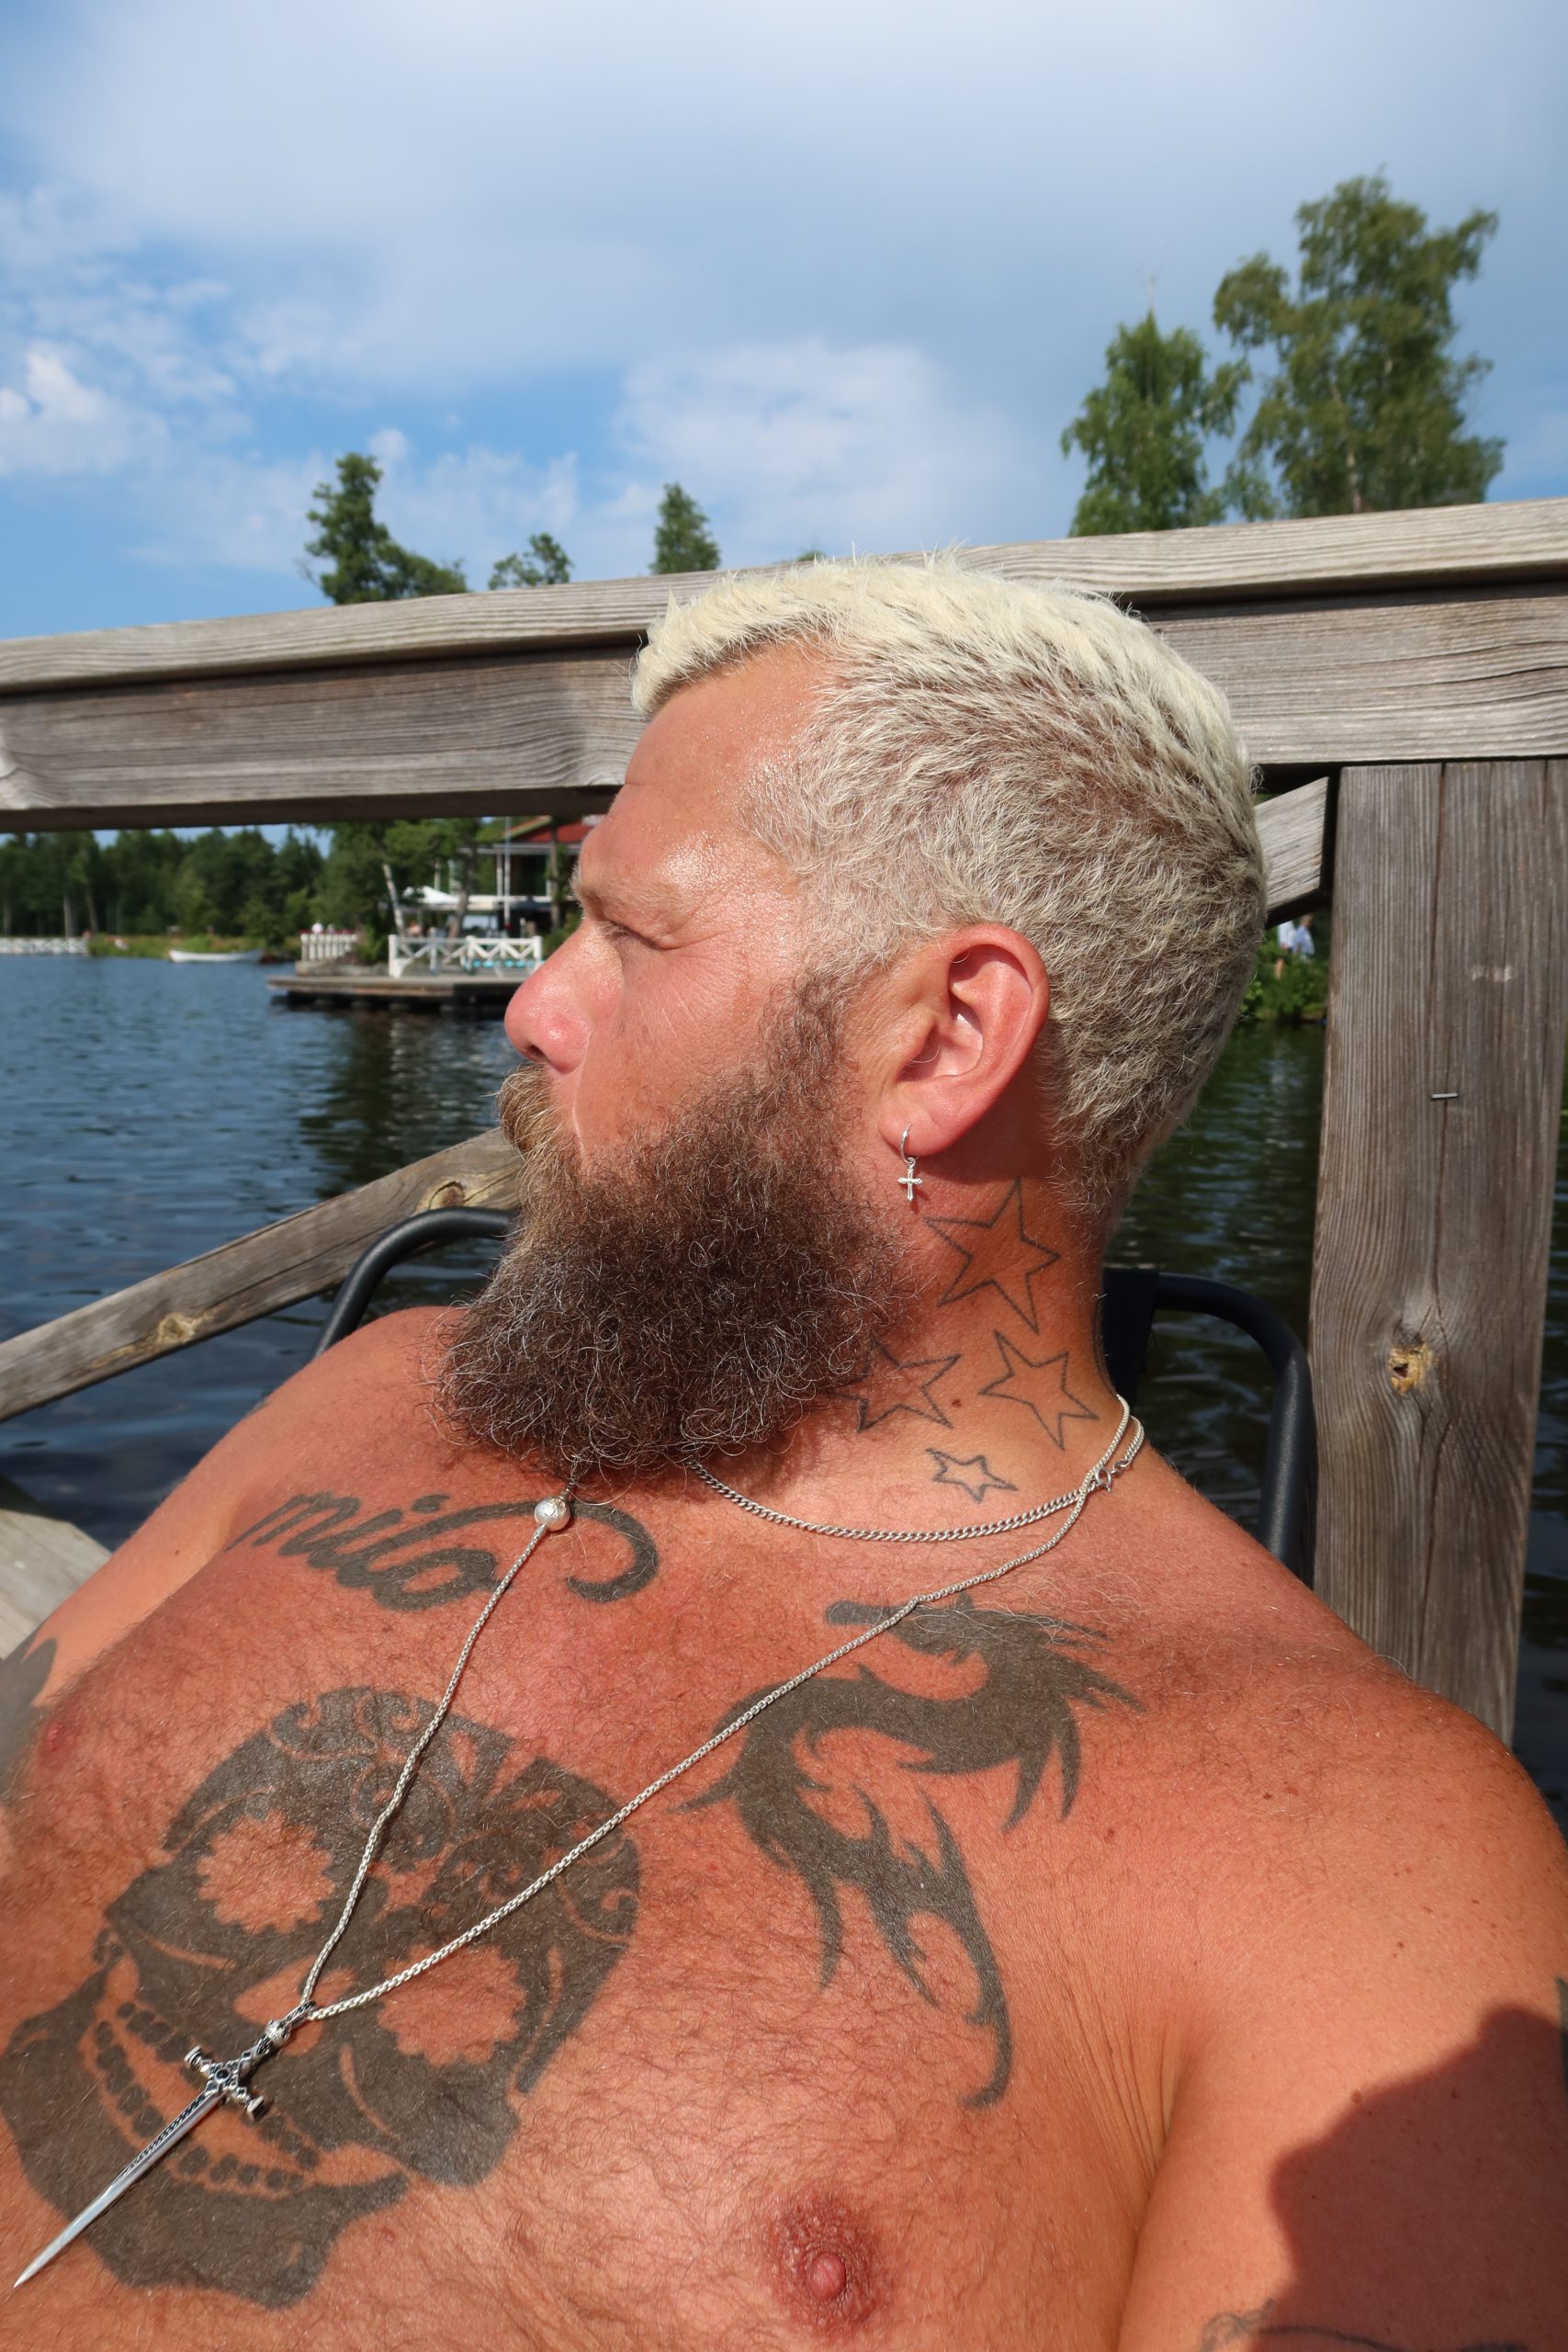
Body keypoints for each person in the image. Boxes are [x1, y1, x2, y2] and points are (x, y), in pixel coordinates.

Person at [1, 561, 1563, 2348]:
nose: (533, 1007)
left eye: (631, 934)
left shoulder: (1359, 1865)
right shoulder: (386, 1389)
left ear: (945, 1039)